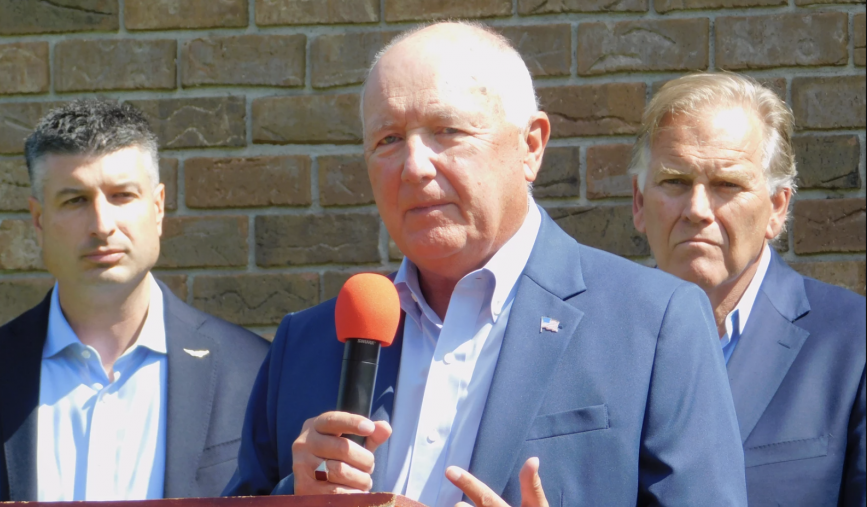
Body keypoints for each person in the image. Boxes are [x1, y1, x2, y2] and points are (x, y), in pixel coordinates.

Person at [225, 22, 747, 505]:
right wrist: (294, 494)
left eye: (447, 131)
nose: (414, 166)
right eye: (387, 140)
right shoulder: (307, 343)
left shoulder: (654, 324)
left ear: (531, 146)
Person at [0, 100, 269, 501]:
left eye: (122, 195)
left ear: (158, 207)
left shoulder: (252, 371)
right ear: (38, 221)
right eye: (75, 200)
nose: (102, 225)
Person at [630, 72, 866, 506]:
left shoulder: (853, 345)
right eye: (675, 182)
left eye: (727, 185)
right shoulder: (592, 342)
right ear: (639, 202)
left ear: (777, 208)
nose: (697, 209)